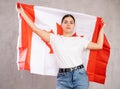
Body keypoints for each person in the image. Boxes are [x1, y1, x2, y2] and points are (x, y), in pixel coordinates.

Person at [16, 5, 105, 89]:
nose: (68, 24)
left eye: (71, 22)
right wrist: (22, 12)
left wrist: (102, 28)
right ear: (61, 25)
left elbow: (99, 46)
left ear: (74, 26)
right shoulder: (54, 38)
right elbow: (35, 29)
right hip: (64, 78)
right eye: (65, 22)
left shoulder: (80, 40)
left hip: (80, 76)